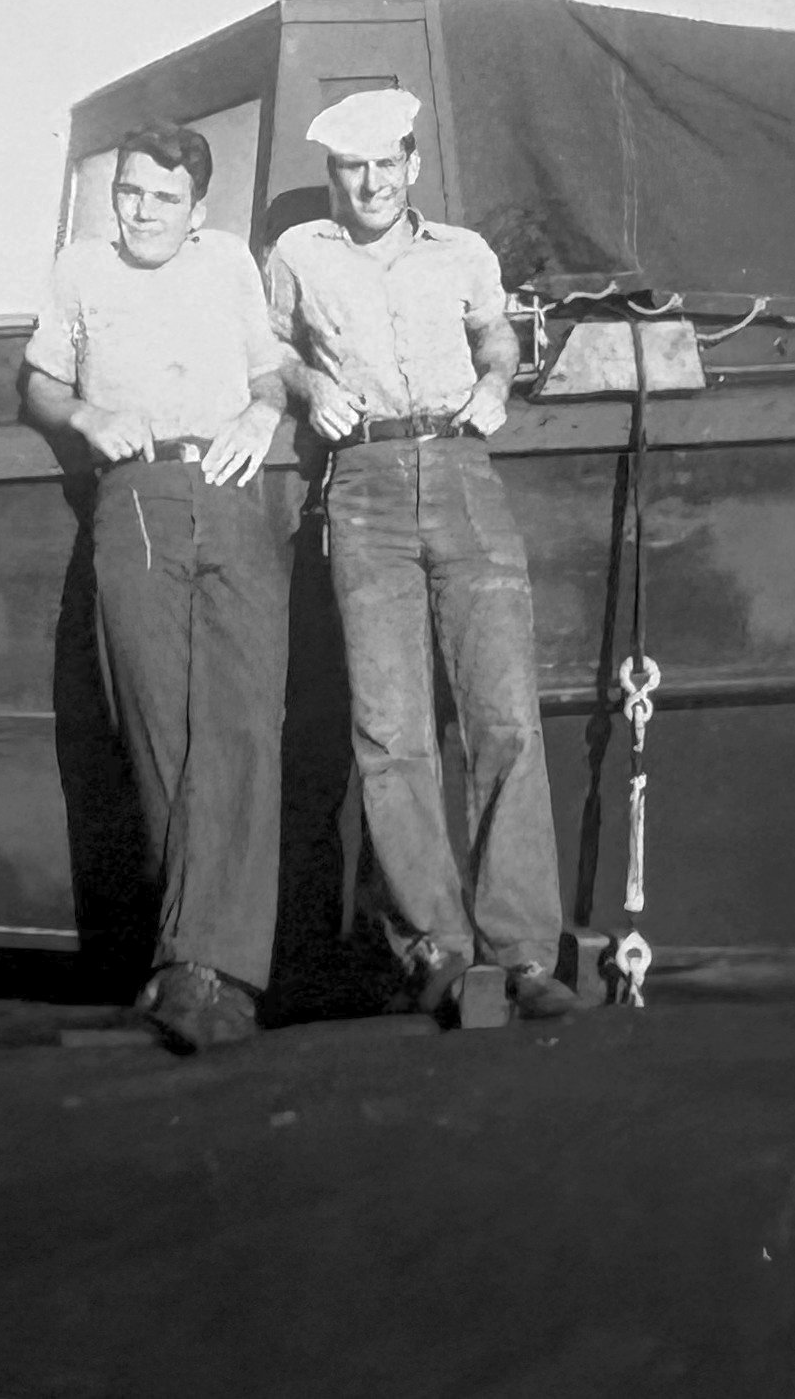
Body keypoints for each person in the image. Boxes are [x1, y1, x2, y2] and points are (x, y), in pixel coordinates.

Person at [265, 89, 575, 1021]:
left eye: (384, 164)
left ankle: (524, 953)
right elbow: (265, 349)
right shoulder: (297, 253)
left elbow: (495, 332)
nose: (369, 183)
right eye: (350, 167)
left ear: (410, 165)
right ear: (333, 174)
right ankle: (433, 947)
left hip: (461, 469)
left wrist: (495, 380)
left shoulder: (463, 251)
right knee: (389, 729)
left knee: (504, 717)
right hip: (361, 487)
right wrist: (307, 383)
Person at [24, 119, 291, 1051]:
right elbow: (40, 385)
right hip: (133, 495)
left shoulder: (228, 264)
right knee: (158, 725)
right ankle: (204, 972)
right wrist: (85, 415)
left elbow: (270, 375)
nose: (140, 212)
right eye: (129, 192)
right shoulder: (79, 271)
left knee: (244, 723)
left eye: (163, 199)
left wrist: (260, 415)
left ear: (198, 209)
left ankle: (202, 969)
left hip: (228, 489)